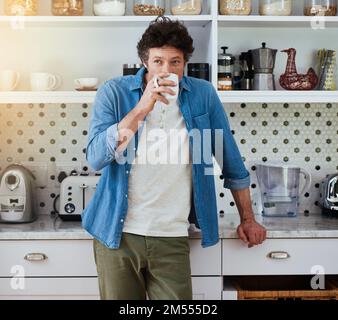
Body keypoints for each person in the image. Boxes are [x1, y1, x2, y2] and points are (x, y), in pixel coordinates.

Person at [82, 16, 266, 300]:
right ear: (145, 61)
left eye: (175, 62)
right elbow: (95, 158)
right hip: (117, 236)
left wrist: (249, 219)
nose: (166, 70)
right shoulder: (114, 93)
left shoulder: (203, 95)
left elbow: (230, 159)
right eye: (158, 61)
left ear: (185, 63)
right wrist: (142, 107)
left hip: (172, 235)